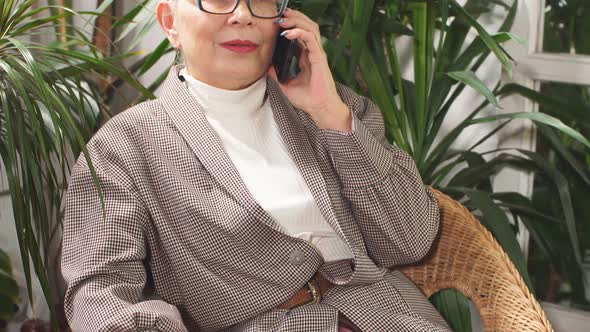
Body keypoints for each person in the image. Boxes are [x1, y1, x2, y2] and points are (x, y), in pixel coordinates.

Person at [60, 0, 451, 331]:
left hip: (390, 317)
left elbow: (410, 239)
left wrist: (330, 114)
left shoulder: (332, 108)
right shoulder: (122, 148)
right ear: (169, 23)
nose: (243, 15)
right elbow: (99, 292)